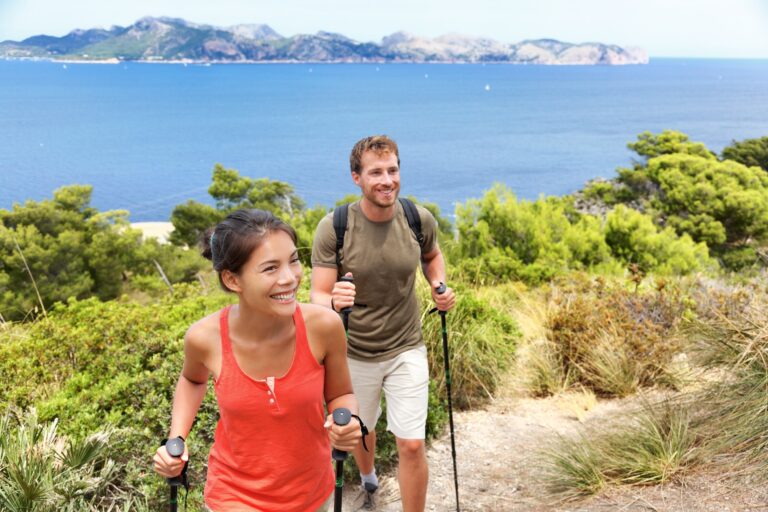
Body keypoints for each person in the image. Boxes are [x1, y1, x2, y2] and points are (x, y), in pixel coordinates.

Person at [153, 209, 363, 512]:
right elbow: (192, 379)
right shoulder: (204, 338)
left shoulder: (324, 326)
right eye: (270, 269)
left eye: (293, 260)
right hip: (234, 496)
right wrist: (176, 438)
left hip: (314, 494)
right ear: (232, 279)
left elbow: (342, 395)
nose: (290, 278)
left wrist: (349, 422)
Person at [310, 135, 456, 511]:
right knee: (362, 429)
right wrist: (333, 301)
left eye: (393, 170)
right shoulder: (335, 228)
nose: (387, 180)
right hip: (354, 351)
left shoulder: (416, 218)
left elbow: (432, 255)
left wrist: (438, 285)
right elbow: (317, 296)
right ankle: (369, 476)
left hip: (406, 347)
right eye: (376, 172)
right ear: (356, 177)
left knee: (411, 443)